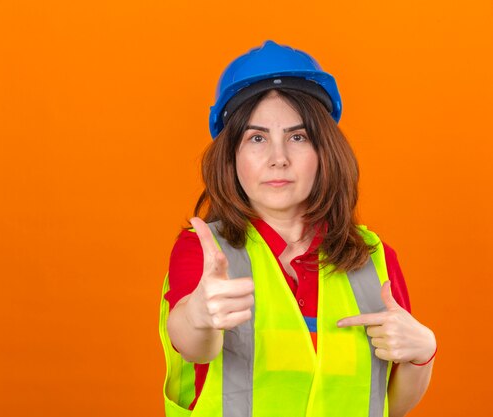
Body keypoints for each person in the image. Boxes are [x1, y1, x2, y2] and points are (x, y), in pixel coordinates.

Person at [159, 41, 436, 417]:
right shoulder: (204, 251)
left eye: (298, 137)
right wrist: (198, 317)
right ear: (231, 156)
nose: (279, 159)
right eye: (257, 138)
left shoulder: (374, 260)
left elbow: (389, 405)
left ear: (325, 151)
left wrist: (423, 353)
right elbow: (193, 345)